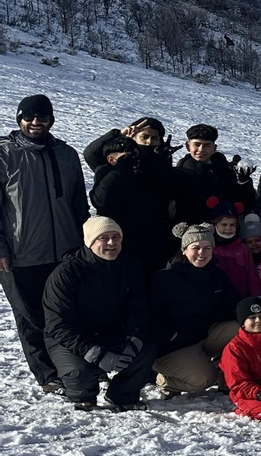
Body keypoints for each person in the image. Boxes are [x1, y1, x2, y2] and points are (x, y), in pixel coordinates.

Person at [0, 94, 90, 390]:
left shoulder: (66, 154)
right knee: (30, 317)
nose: (36, 122)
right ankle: (47, 374)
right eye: (30, 117)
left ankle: (74, 366)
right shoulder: (5, 154)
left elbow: (79, 204)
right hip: (19, 254)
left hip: (64, 251)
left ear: (51, 120)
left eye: (43, 118)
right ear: (19, 118)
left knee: (66, 312)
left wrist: (83, 243)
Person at [42, 216, 156, 411]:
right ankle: (84, 395)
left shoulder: (130, 267)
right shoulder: (66, 273)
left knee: (144, 351)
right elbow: (58, 324)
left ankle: (123, 394)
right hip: (71, 339)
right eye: (104, 238)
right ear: (90, 242)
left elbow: (138, 309)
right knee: (81, 373)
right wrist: (93, 352)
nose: (111, 243)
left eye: (116, 237)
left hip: (111, 332)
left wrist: (133, 341)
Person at [149, 222, 240, 397]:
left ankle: (228, 378)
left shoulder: (216, 275)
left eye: (207, 248)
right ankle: (166, 381)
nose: (202, 253)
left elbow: (234, 304)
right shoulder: (165, 278)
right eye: (196, 248)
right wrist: (168, 334)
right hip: (173, 347)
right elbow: (149, 314)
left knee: (243, 328)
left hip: (203, 338)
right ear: (184, 249)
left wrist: (255, 313)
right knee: (205, 379)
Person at [89, 132, 171, 273]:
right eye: (127, 157)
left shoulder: (141, 174)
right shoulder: (105, 173)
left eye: (134, 156)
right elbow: (100, 201)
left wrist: (163, 160)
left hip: (145, 239)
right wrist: (119, 170)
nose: (133, 160)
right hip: (117, 240)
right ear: (111, 159)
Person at [170, 123, 256, 225]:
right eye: (197, 144)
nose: (201, 149)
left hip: (224, 229)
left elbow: (242, 200)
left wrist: (244, 183)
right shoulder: (180, 172)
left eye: (207, 145)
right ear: (188, 146)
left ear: (214, 148)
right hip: (192, 231)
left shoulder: (226, 171)